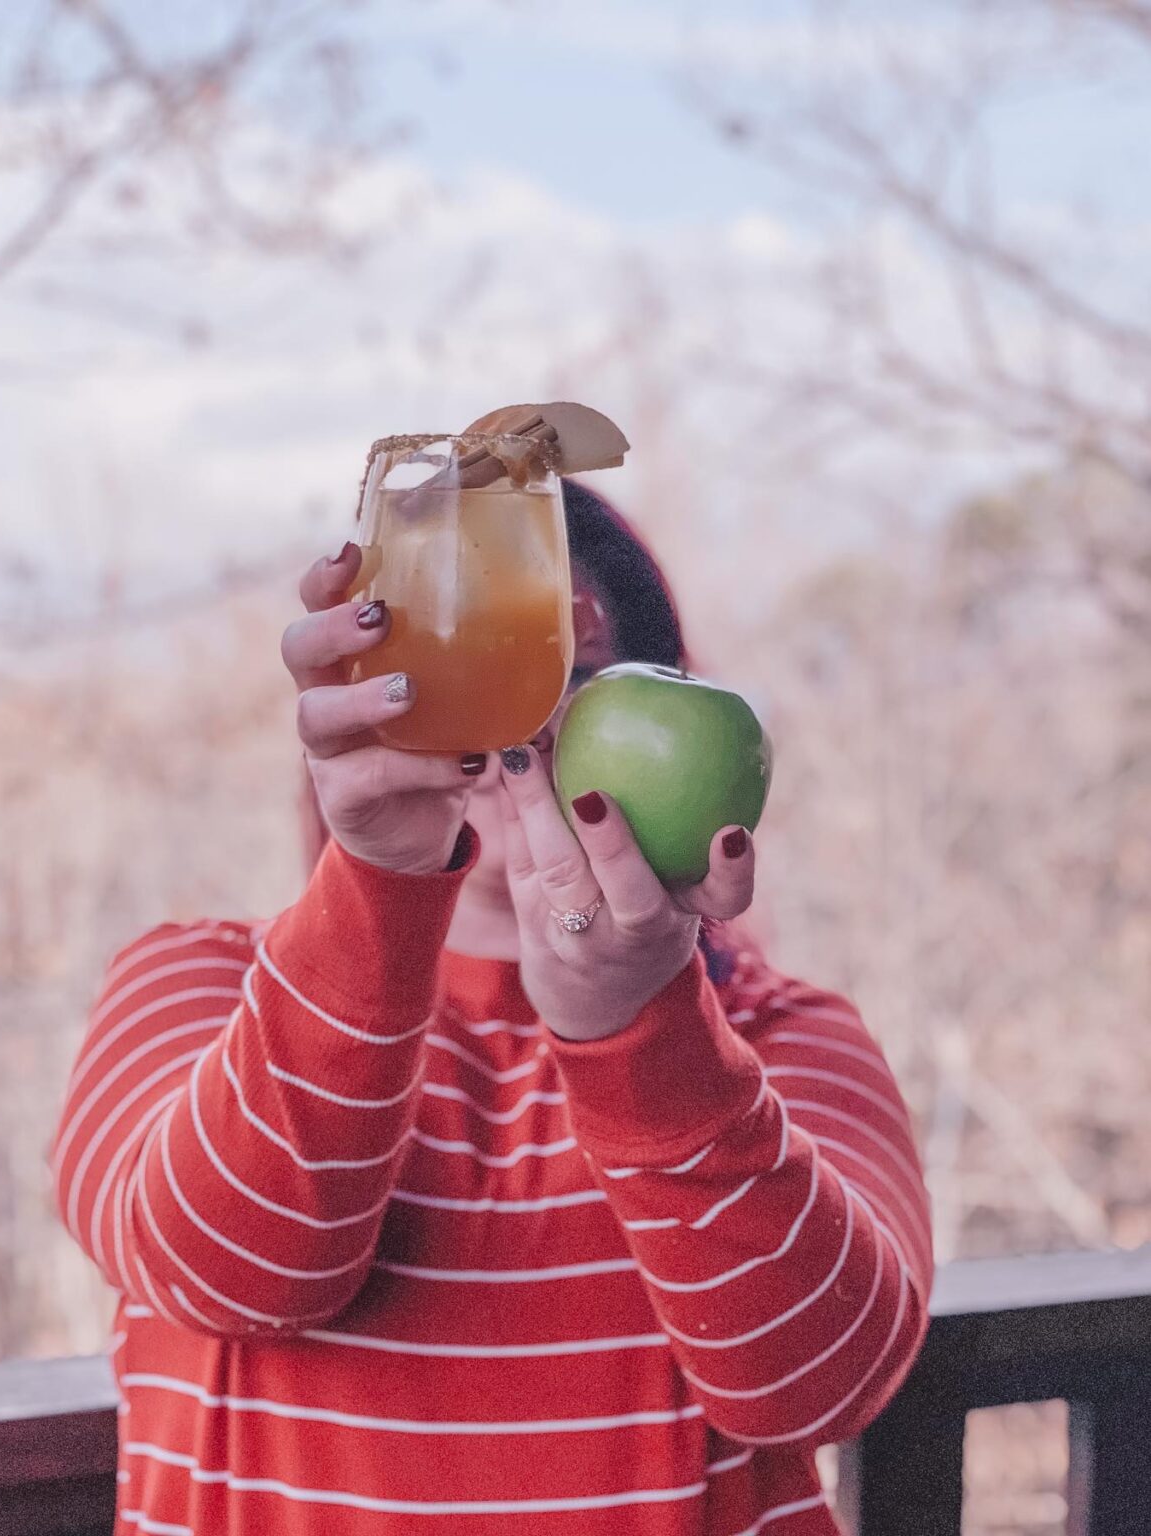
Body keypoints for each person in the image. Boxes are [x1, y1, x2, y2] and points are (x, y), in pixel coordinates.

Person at [53, 480, 932, 1536]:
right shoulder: (190, 988)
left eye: (581, 680)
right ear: (361, 700)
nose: (528, 718)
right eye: (468, 668)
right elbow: (238, 1268)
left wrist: (641, 1030)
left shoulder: (777, 1036)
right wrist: (380, 874)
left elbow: (817, 1388)